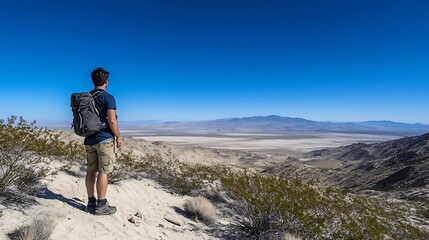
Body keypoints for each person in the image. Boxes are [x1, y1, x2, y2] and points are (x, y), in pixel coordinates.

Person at [84, 67, 122, 215]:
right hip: (104, 139)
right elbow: (112, 120)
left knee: (90, 170)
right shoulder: (108, 97)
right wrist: (118, 136)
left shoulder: (86, 97)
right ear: (106, 81)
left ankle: (90, 202)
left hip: (89, 139)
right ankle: (101, 205)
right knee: (104, 171)